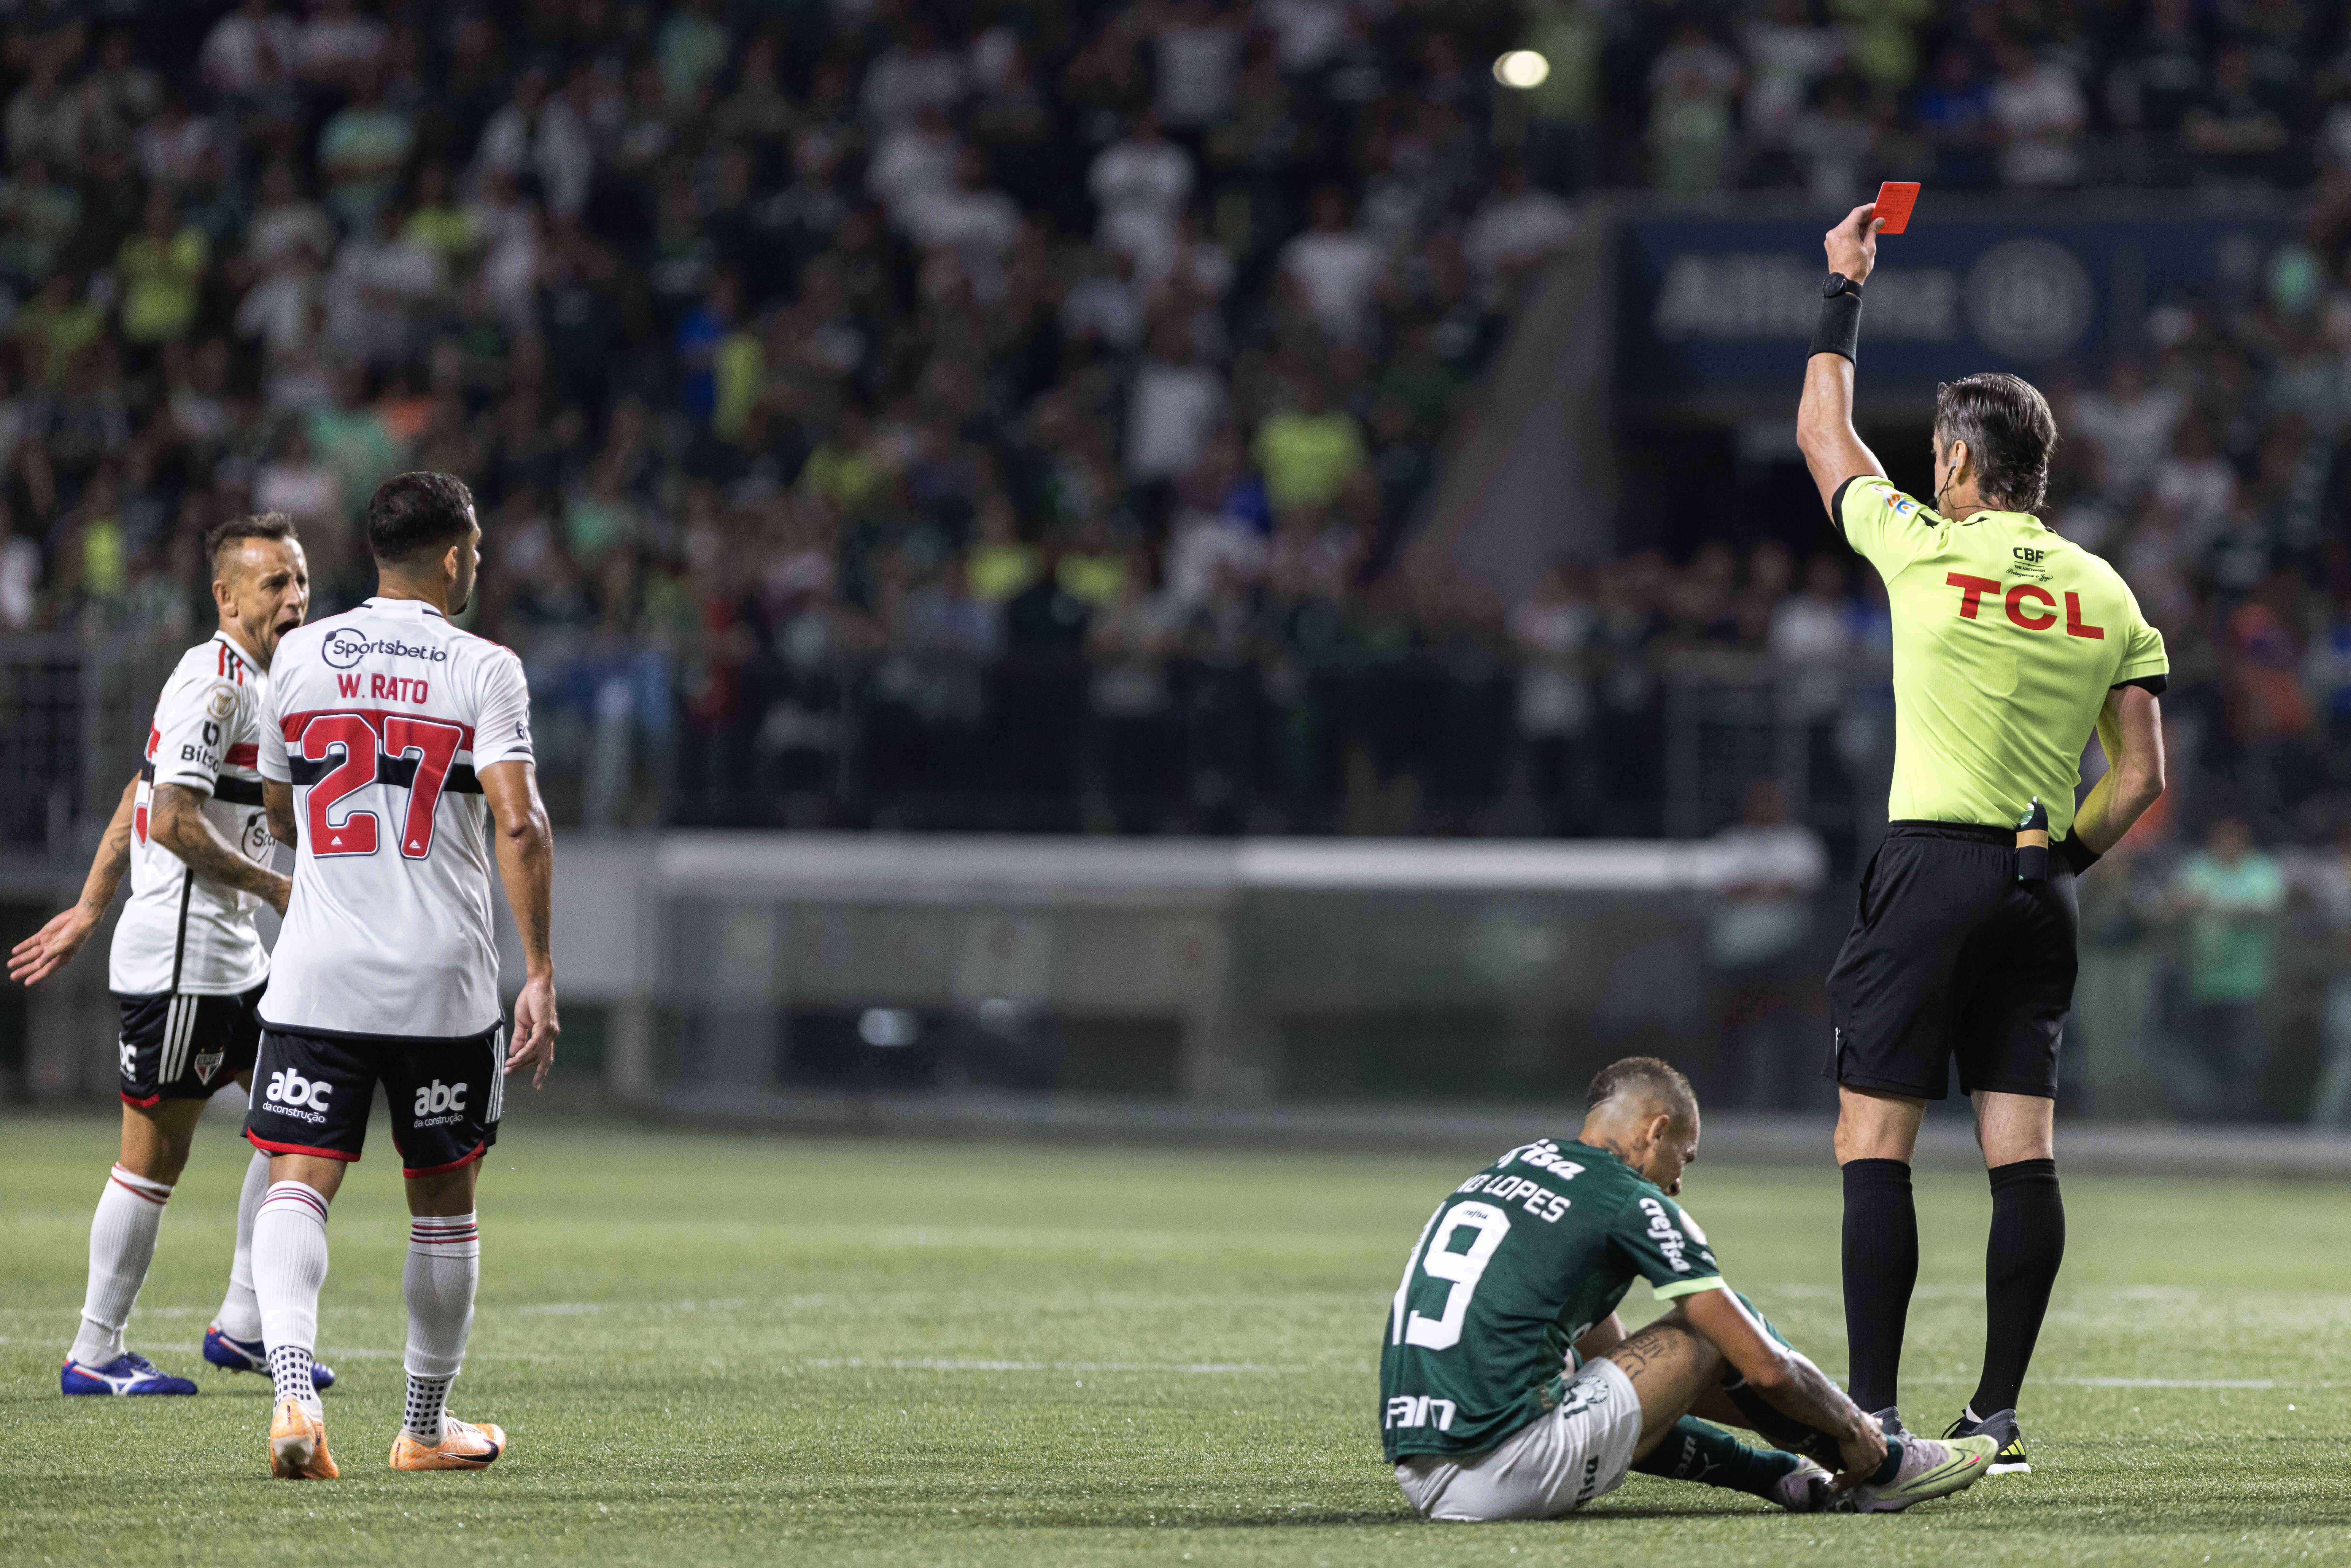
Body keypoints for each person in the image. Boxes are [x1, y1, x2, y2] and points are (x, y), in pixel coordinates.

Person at [1795, 203, 2172, 1472]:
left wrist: (1842, 289)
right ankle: (1995, 1415)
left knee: (1873, 1143)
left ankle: (1868, 1416)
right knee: (2021, 1153)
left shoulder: (1920, 546)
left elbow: (1818, 435)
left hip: (1926, 864)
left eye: (1936, 454)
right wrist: (2054, 860)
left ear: (1956, 463)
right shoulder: (2102, 587)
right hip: (2035, 884)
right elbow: (2140, 779)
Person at [243, 472, 559, 1479]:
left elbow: (283, 810)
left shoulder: (297, 654)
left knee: (298, 1181)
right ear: (457, 554)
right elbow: (520, 820)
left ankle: (295, 1391)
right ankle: (424, 1423)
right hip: (442, 982)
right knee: (444, 1201)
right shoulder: (486, 667)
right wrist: (543, 969)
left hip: (319, 971)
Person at [8, 513, 336, 1398]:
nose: (295, 597)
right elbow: (169, 819)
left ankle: (243, 1322)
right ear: (226, 596)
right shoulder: (213, 680)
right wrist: (275, 887)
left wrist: (86, 903)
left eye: (300, 579)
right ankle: (95, 1348)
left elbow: (137, 786)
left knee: (298, 1120)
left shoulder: (272, 681)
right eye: (275, 583)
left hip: (232, 957)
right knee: (155, 1157)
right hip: (185, 958)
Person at [1382, 1056, 1997, 1522]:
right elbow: (1767, 1370)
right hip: (1502, 1467)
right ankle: (1885, 1465)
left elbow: (1621, 1381)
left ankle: (1793, 1479)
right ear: (1657, 1130)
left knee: (1595, 1367)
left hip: (1422, 1470)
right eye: (1687, 1156)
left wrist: (1777, 1467)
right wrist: (1851, 1426)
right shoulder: (1628, 1199)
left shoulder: (1512, 1166)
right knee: (1715, 1330)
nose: (1678, 1181)